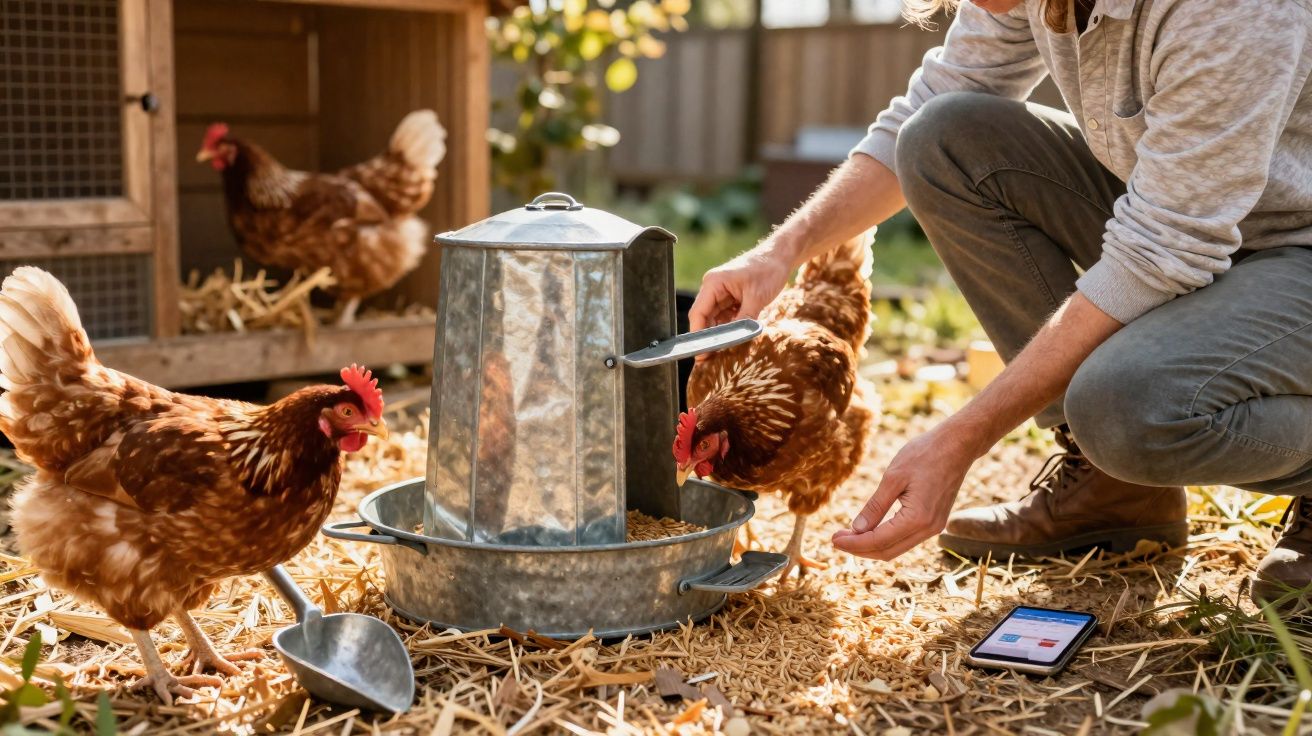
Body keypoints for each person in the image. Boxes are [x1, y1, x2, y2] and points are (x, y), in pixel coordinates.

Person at [687, 0, 1312, 603]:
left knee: (1123, 408)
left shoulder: (1234, 9)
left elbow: (1161, 251)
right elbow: (929, 102)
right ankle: (1114, 492)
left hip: (1293, 245)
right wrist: (778, 251)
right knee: (942, 137)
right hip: (1194, 219)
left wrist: (961, 438)